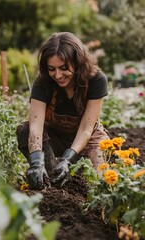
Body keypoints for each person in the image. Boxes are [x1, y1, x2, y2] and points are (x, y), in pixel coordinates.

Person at [17, 32, 109, 190]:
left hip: (88, 139)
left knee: (96, 187)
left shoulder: (96, 80)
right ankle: (53, 181)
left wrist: (67, 160)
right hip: (56, 138)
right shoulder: (43, 82)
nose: (58, 75)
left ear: (77, 63)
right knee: (24, 130)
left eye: (64, 68)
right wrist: (37, 162)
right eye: (52, 69)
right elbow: (35, 126)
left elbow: (86, 129)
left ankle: (69, 173)